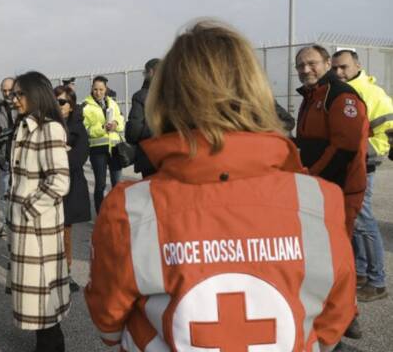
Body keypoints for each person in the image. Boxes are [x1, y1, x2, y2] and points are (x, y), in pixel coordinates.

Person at [85, 20, 356, 352]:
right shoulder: (319, 199)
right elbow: (333, 319)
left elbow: (108, 318)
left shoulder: (130, 207)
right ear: (257, 92)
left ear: (166, 99)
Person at [8, 71, 70, 351]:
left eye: (19, 94)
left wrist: (28, 208)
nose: (14, 99)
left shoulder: (48, 128)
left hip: (38, 229)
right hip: (27, 228)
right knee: (39, 302)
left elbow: (59, 180)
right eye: (13, 94)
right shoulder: (26, 125)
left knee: (44, 297)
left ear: (35, 94)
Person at [332, 49, 393, 302]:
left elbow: (388, 133)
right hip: (349, 166)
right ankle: (362, 273)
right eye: (335, 68)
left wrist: (363, 153)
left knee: (365, 223)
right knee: (355, 221)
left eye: (344, 67)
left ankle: (377, 282)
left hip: (363, 166)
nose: (339, 73)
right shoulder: (340, 92)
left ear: (358, 65)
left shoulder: (371, 94)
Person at [295, 45, 368, 237]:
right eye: (300, 65)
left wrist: (311, 175)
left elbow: (344, 148)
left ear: (328, 64)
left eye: (312, 63)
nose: (305, 69)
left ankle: (372, 268)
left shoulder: (340, 95)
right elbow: (308, 141)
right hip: (317, 186)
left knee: (335, 246)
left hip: (338, 188)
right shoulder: (311, 95)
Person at [54, 85, 90, 293]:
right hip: (49, 186)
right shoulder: (47, 124)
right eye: (56, 102)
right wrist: (63, 149)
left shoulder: (77, 127)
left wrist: (58, 153)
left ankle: (66, 272)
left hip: (69, 186)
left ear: (71, 105)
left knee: (65, 231)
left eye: (62, 102)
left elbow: (78, 158)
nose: (59, 106)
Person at [82, 75, 124, 214]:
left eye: (101, 89)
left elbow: (121, 120)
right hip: (98, 150)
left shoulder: (112, 103)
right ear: (91, 89)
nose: (98, 92)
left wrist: (116, 124)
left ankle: (117, 213)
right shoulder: (86, 106)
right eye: (95, 89)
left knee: (117, 184)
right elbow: (86, 129)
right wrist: (102, 128)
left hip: (115, 148)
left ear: (106, 89)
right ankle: (101, 215)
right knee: (100, 185)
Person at [0, 77, 17, 239]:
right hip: (5, 159)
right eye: (4, 90)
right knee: (5, 196)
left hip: (22, 160)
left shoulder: (23, 105)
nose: (7, 93)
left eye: (10, 90)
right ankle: (7, 227)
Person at [125, 58, 159, 178]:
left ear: (150, 72)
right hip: (173, 156)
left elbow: (134, 132)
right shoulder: (177, 94)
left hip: (149, 156)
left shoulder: (141, 96)